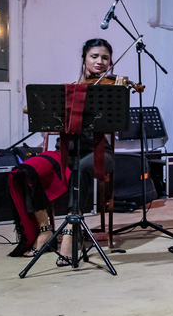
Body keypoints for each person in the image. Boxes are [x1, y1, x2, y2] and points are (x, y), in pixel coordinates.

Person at [10, 38, 118, 266]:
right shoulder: (71, 91)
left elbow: (119, 111)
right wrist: (60, 105)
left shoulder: (110, 89)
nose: (100, 61)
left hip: (98, 152)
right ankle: (45, 231)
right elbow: (28, 108)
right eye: (94, 56)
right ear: (84, 59)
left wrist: (119, 88)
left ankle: (70, 230)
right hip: (67, 152)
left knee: (82, 169)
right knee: (29, 169)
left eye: (105, 58)